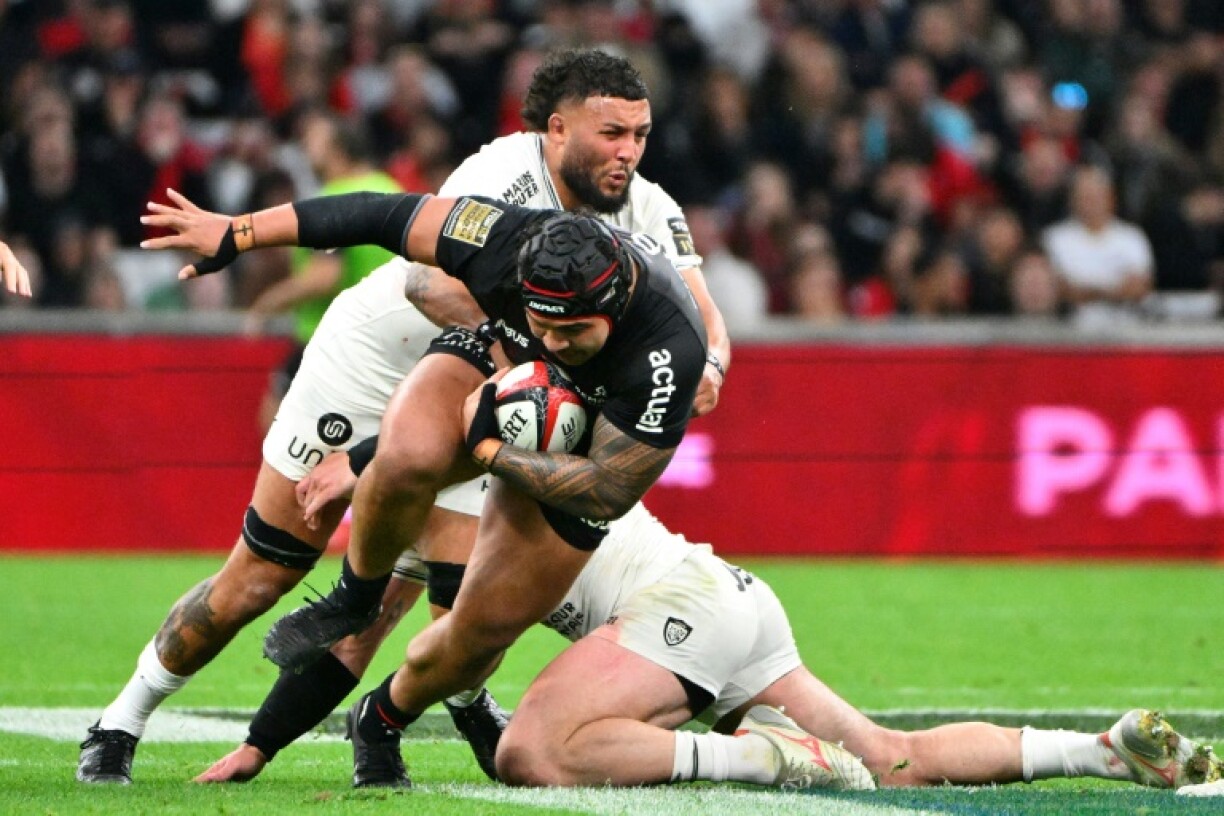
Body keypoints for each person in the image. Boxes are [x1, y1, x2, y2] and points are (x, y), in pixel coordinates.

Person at [76, 48, 732, 787]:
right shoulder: (502, 177)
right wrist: (241, 233)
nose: (629, 153)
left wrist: (705, 368)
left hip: (486, 382)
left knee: (462, 608)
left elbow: (704, 321)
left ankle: (413, 714)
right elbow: (425, 281)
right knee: (260, 577)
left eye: (641, 135)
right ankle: (119, 722)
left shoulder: (649, 208)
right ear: (555, 129)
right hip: (378, 361)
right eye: (612, 133)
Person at [200, 449, 1222, 794]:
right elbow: (373, 641)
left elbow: (437, 646)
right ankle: (1100, 750)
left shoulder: (457, 484)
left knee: (534, 753)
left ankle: (764, 761)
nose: (326, 502)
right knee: (891, 755)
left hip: (677, 612)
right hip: (726, 599)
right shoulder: (439, 504)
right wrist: (260, 744)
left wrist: (376, 709)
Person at [242, 110, 403, 432]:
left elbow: (324, 277)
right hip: (390, 339)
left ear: (337, 148)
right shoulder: (392, 189)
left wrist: (266, 305)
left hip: (331, 339)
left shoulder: (334, 200)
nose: (305, 146)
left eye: (314, 138)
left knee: (277, 425)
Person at [1042, 166, 1154, 328]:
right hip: (1068, 331)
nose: (1090, 202)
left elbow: (1139, 288)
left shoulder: (1131, 237)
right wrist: (1114, 291)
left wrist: (1086, 292)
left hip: (1126, 330)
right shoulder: (1054, 239)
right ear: (1072, 200)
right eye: (1084, 196)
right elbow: (1058, 290)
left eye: (1096, 196)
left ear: (1111, 198)